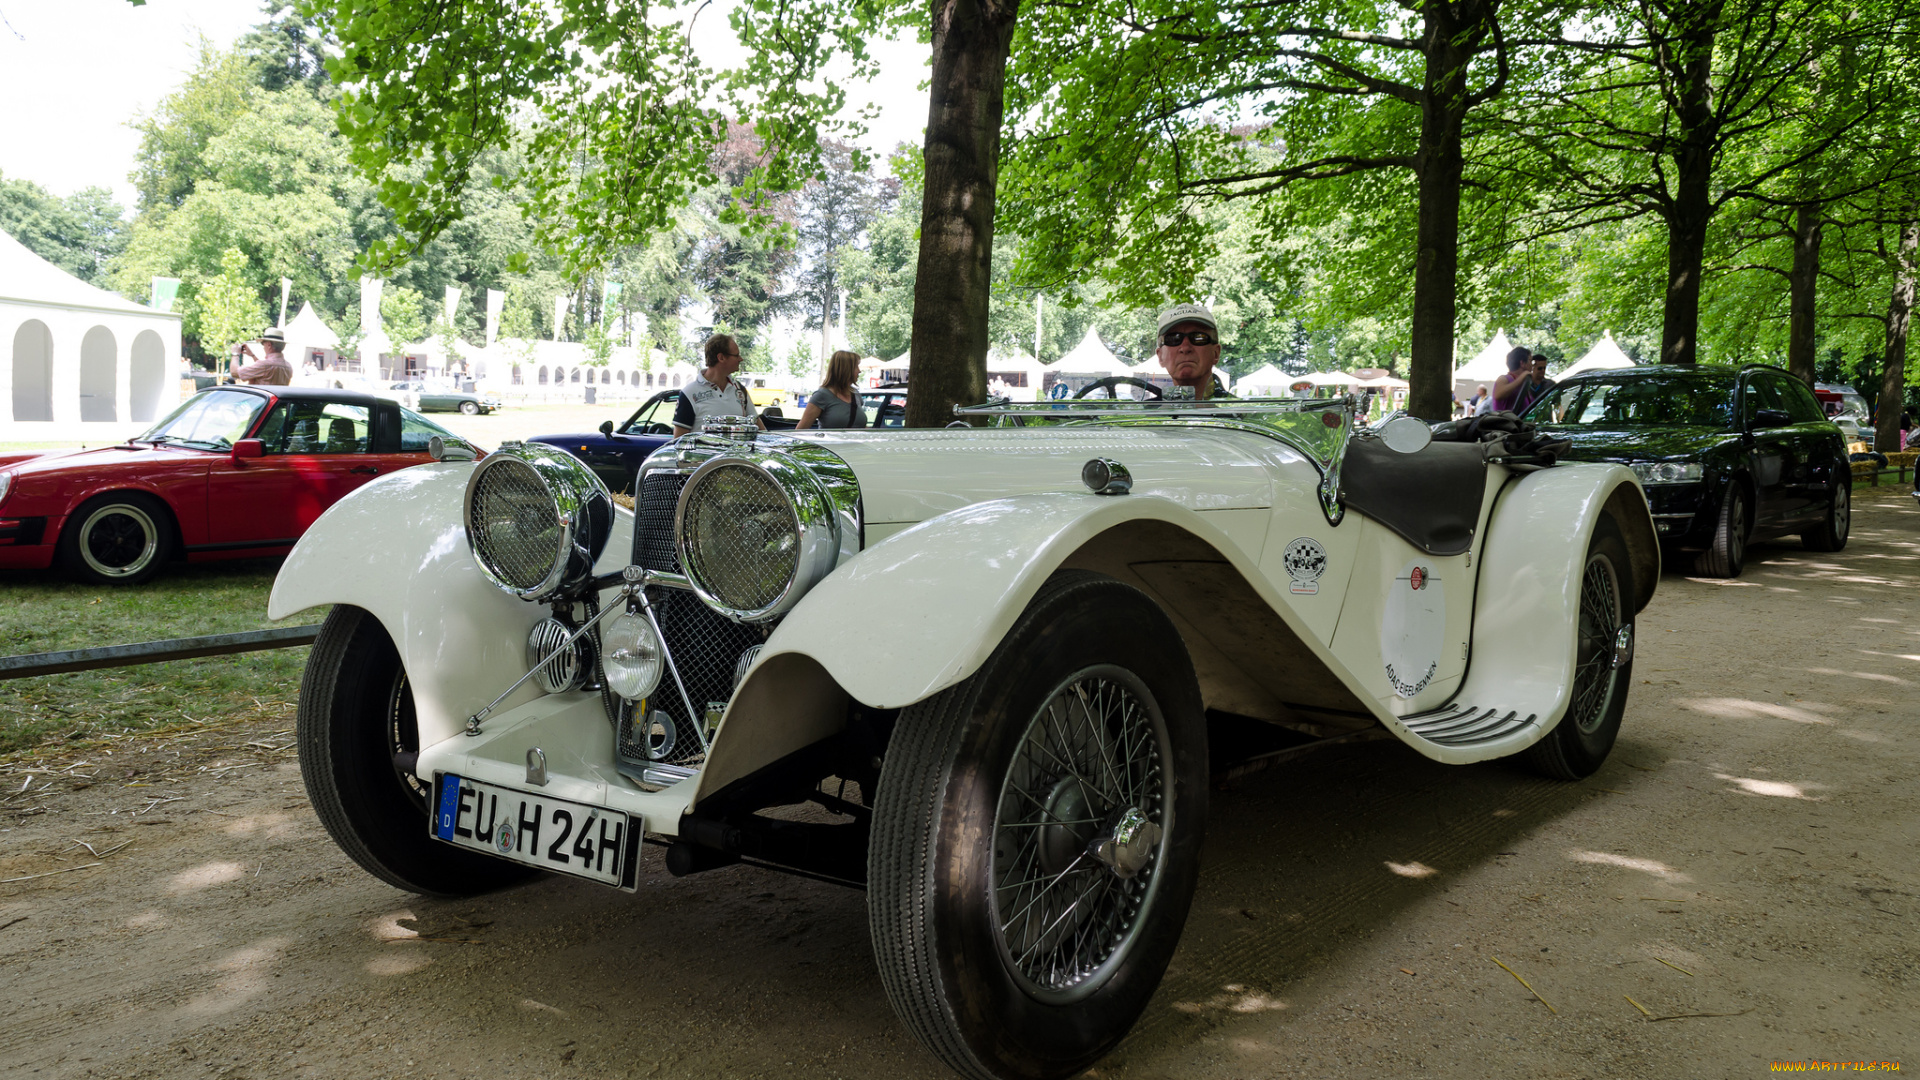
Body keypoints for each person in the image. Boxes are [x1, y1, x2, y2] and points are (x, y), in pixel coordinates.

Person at [673, 334, 764, 436]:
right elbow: (679, 441)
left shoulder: (740, 390)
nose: (740, 359)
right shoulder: (689, 393)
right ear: (721, 358)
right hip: (704, 452)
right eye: (736, 355)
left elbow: (760, 431)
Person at [1155, 302, 1231, 400]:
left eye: (1198, 337)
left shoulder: (1242, 412)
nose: (1185, 348)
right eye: (1173, 339)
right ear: (1160, 356)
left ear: (1216, 353)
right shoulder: (1145, 413)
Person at [797, 350, 869, 429]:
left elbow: (858, 426)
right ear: (846, 369)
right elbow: (800, 431)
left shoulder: (856, 395)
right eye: (856, 367)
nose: (859, 371)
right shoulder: (822, 395)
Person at [1489, 346, 1531, 412]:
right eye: (1530, 360)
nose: (1532, 364)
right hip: (1506, 422)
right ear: (1522, 363)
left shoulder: (1525, 382)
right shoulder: (1504, 379)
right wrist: (1521, 378)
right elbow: (1498, 395)